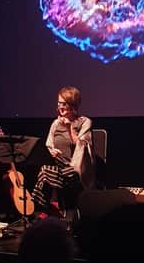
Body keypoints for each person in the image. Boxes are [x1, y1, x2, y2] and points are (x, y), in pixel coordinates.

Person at [32, 86, 95, 218]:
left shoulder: (84, 122)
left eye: (63, 103)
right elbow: (48, 144)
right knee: (44, 170)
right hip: (59, 167)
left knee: (44, 171)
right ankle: (46, 209)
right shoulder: (56, 123)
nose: (59, 106)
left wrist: (69, 128)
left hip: (76, 170)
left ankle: (44, 210)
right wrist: (52, 151)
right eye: (58, 103)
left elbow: (82, 145)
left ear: (72, 105)